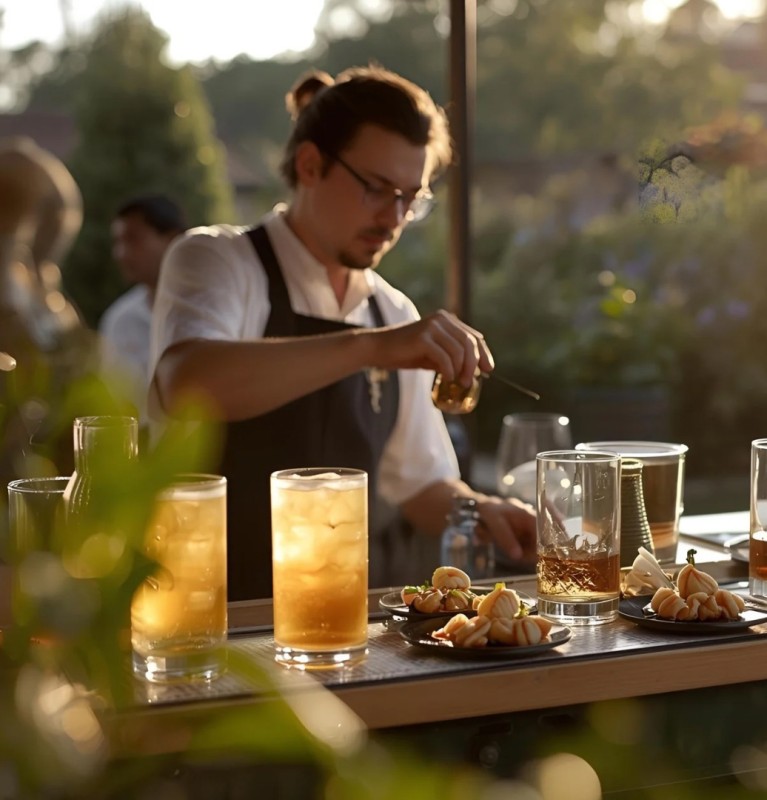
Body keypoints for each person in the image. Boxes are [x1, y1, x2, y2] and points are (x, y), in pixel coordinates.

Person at [148, 65, 536, 601]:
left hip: (343, 620)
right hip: (211, 615)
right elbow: (187, 383)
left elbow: (419, 483)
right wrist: (372, 348)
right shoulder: (218, 259)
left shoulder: (389, 308)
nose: (394, 217)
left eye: (411, 198)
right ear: (311, 164)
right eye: (378, 190)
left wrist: (482, 509)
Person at [99, 194, 187, 426]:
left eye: (133, 240)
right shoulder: (120, 320)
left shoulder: (209, 309)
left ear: (172, 239)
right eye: (118, 242)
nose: (121, 253)